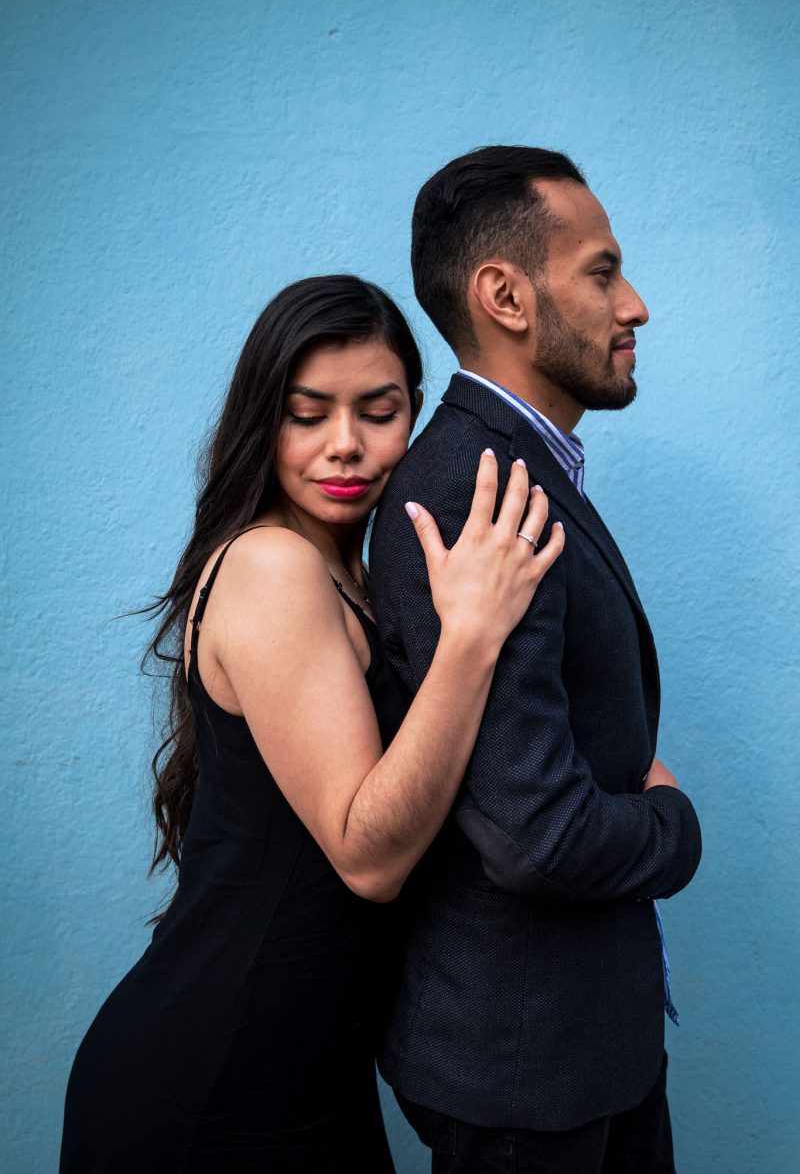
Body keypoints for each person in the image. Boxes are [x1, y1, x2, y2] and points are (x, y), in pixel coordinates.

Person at [59, 274, 563, 1174]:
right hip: (215, 1083)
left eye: (378, 411)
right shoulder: (273, 567)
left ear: (414, 414)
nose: (346, 446)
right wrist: (473, 636)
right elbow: (367, 856)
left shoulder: (346, 577)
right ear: (265, 421)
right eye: (307, 413)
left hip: (304, 1076)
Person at [369, 147, 703, 1173]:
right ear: (505, 295)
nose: (633, 304)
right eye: (601, 271)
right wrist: (671, 826)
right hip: (525, 1079)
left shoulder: (516, 468)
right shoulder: (480, 492)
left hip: (577, 1054)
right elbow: (535, 832)